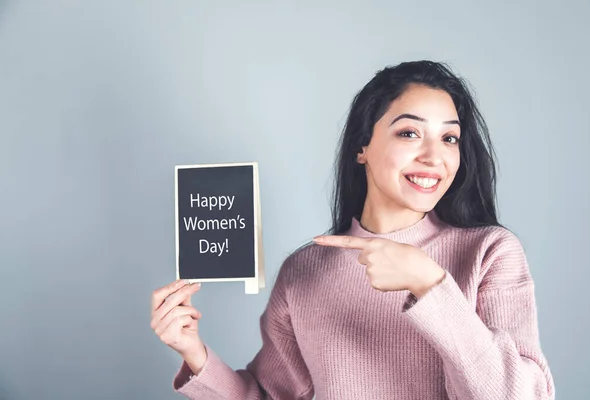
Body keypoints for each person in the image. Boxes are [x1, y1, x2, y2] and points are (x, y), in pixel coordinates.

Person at [150, 60, 555, 399]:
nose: (435, 156)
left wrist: (430, 284)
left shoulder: (491, 252)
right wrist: (194, 353)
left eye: (450, 138)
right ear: (363, 147)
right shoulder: (304, 271)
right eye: (410, 132)